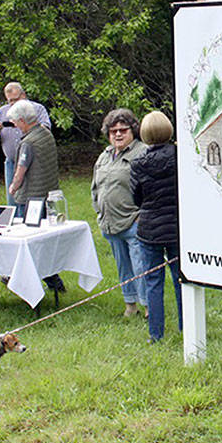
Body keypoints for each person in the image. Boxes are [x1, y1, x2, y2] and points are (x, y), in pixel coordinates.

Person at [131, 110, 184, 344]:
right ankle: (187, 326)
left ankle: (156, 334)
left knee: (153, 282)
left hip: (150, 228)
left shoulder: (138, 163)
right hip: (177, 226)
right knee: (182, 278)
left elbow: (137, 199)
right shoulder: (181, 156)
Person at [91, 108, 148, 318]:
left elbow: (150, 188)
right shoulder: (104, 156)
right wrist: (99, 211)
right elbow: (95, 187)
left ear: (133, 131)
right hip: (110, 224)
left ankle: (148, 308)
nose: (117, 134)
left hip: (133, 222)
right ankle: (130, 305)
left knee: (140, 267)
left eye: (123, 130)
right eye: (113, 130)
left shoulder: (142, 153)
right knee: (123, 267)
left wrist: (142, 215)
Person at [8, 98, 66, 303]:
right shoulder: (46, 134)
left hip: (33, 200)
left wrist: (13, 188)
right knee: (44, 242)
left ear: (23, 120)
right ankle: (54, 281)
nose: (14, 125)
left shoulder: (28, 143)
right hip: (49, 195)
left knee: (31, 244)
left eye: (15, 121)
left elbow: (21, 170)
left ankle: (36, 284)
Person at [0, 82, 51, 206]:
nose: (13, 104)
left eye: (16, 100)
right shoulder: (2, 112)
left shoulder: (37, 108)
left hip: (34, 161)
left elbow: (45, 130)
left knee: (34, 199)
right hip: (12, 162)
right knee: (13, 200)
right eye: (10, 101)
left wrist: (29, 126)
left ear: (23, 95)